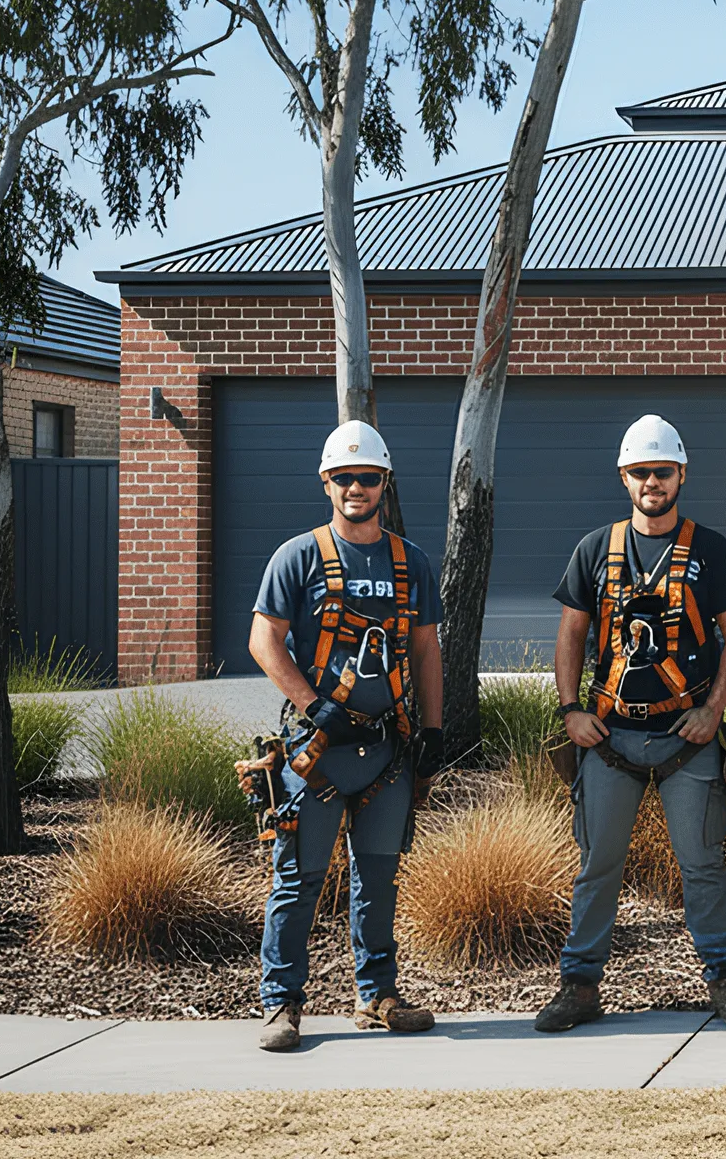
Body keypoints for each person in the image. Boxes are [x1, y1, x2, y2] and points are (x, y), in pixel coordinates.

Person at [533, 414, 726, 1032]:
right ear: (624, 478)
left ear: (681, 474)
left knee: (702, 863)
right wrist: (570, 710)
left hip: (687, 738)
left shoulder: (709, 549)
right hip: (609, 737)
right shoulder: (594, 549)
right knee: (597, 864)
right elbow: (571, 635)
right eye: (640, 472)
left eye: (661, 471)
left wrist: (713, 710)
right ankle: (579, 986)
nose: (651, 481)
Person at [247, 420, 445, 1053]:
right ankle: (281, 1005)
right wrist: (311, 705)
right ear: (326, 483)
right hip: (317, 754)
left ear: (385, 483)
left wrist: (435, 731)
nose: (356, 488)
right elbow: (264, 641)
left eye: (369, 478)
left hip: (386, 749)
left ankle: (377, 995)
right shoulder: (297, 556)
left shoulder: (411, 563)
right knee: (298, 880)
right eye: (344, 478)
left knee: (380, 876)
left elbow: (425, 650)